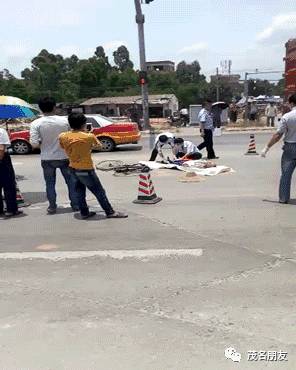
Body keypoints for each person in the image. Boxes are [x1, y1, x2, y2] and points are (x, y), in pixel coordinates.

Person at [59, 113, 127, 220]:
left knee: (79, 192)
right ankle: (110, 212)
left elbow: (62, 146)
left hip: (72, 168)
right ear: (84, 124)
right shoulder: (89, 136)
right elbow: (100, 147)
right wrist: (88, 136)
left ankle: (84, 212)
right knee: (99, 191)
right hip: (86, 169)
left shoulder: (63, 136)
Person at [30, 97, 79, 214]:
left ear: (41, 109)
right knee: (71, 182)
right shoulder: (65, 121)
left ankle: (52, 206)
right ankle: (75, 205)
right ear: (54, 107)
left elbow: (34, 144)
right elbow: (72, 137)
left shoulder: (36, 123)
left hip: (47, 158)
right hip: (65, 156)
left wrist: (43, 142)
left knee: (50, 184)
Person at [261, 94, 296, 204]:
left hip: (290, 147)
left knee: (286, 174)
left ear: (291, 103)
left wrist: (266, 148)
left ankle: (284, 198)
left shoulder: (287, 117)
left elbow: (277, 135)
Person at [0, 128, 23, 217]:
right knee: (8, 185)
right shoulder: (1, 131)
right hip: (2, 160)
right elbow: (1, 148)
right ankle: (11, 209)